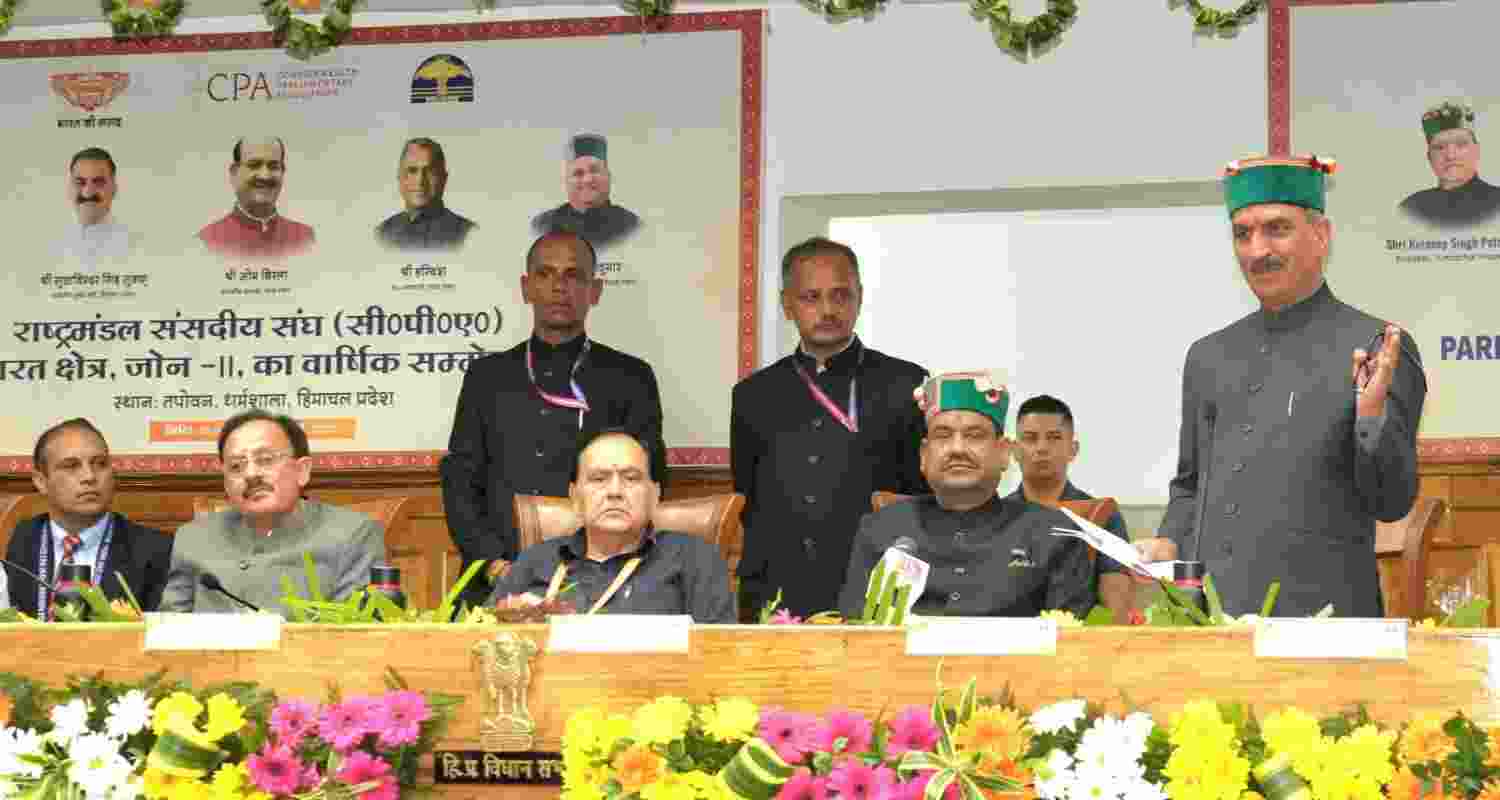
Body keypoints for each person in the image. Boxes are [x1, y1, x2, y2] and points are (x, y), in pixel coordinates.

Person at [1135, 155, 1426, 618]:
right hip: (1213, 621)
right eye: (1242, 233)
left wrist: (1371, 419)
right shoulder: (1209, 355)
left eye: (1277, 229)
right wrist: (1169, 539)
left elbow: (1391, 502)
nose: (1257, 250)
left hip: (1323, 628)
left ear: (1322, 236)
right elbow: (1190, 485)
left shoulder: (1378, 347)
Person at [441, 231, 666, 609]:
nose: (559, 287)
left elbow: (646, 480)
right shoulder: (487, 377)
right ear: (526, 288)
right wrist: (493, 563)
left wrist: (600, 563)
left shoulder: (630, 377)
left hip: (598, 579)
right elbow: (461, 479)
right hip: (496, 576)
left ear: (594, 290)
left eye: (573, 276)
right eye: (545, 274)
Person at [732, 237, 929, 619]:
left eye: (841, 295)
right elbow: (748, 498)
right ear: (787, 304)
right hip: (776, 590)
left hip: (874, 585)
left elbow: (920, 495)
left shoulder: (905, 383)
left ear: (859, 297)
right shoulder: (753, 395)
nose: (827, 309)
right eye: (810, 297)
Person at [837, 372, 1095, 619]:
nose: (957, 448)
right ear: (924, 456)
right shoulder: (881, 529)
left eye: (974, 436)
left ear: (1004, 452)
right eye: (943, 435)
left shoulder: (1055, 535)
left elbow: (1073, 648)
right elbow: (856, 636)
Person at [488, 429, 735, 622]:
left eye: (631, 478)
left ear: (655, 494)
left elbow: (720, 655)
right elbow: (480, 637)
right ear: (574, 496)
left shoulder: (695, 559)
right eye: (598, 478)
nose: (615, 491)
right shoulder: (536, 560)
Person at [157, 410, 384, 617]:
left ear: (302, 471)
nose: (251, 474)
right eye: (236, 466)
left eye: (265, 460)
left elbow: (355, 636)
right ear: (225, 483)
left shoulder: (353, 535)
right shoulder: (194, 538)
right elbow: (166, 631)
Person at [3, 419, 172, 618]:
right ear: (41, 482)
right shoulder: (24, 539)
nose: (89, 476)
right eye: (71, 466)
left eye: (100, 464)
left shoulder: (153, 550)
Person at [1007, 394, 1133, 619]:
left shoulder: (1100, 515)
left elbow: (1117, 612)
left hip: (1080, 648)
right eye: (1030, 438)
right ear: (1015, 450)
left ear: (1073, 449)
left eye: (1054, 438)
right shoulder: (997, 515)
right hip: (1009, 646)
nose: (1042, 448)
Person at [198, 137, 315, 260]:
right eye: (254, 165)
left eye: (273, 166)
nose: (265, 176)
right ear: (234, 172)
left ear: (283, 172)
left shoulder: (305, 239)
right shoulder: (206, 243)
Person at [530, 133, 640, 249]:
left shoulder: (630, 225)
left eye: (594, 171)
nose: (587, 179)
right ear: (567, 180)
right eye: (578, 173)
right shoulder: (544, 225)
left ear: (608, 176)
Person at [1399, 102, 1500, 228]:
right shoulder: (1410, 208)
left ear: (1477, 151)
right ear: (1429, 157)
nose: (1450, 156)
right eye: (1439, 147)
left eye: (1461, 144)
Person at [374, 137, 477, 252]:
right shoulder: (382, 234)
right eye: (412, 170)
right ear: (400, 178)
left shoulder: (469, 235)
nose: (420, 181)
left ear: (443, 179)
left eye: (429, 171)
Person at [59, 147, 136, 269]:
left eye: (98, 182)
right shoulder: (56, 244)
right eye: (80, 182)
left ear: (114, 188)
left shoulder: (133, 245)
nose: (88, 192)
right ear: (69, 187)